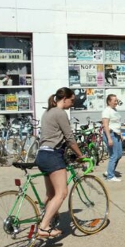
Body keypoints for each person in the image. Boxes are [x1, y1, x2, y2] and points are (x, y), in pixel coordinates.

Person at [34, 87, 84, 238]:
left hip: (42, 154)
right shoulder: (60, 113)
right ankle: (43, 227)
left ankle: (44, 219)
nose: (73, 103)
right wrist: (80, 155)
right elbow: (69, 137)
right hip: (53, 156)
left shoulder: (47, 112)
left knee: (51, 194)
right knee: (61, 193)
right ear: (65, 99)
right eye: (72, 100)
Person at [102, 94, 123, 182]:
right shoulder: (106, 111)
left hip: (117, 134)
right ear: (109, 101)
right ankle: (110, 176)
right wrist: (109, 138)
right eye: (114, 100)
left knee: (119, 155)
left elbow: (117, 123)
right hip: (111, 134)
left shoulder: (114, 110)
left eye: (116, 100)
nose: (116, 102)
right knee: (114, 155)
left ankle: (109, 171)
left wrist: (120, 134)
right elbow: (105, 125)